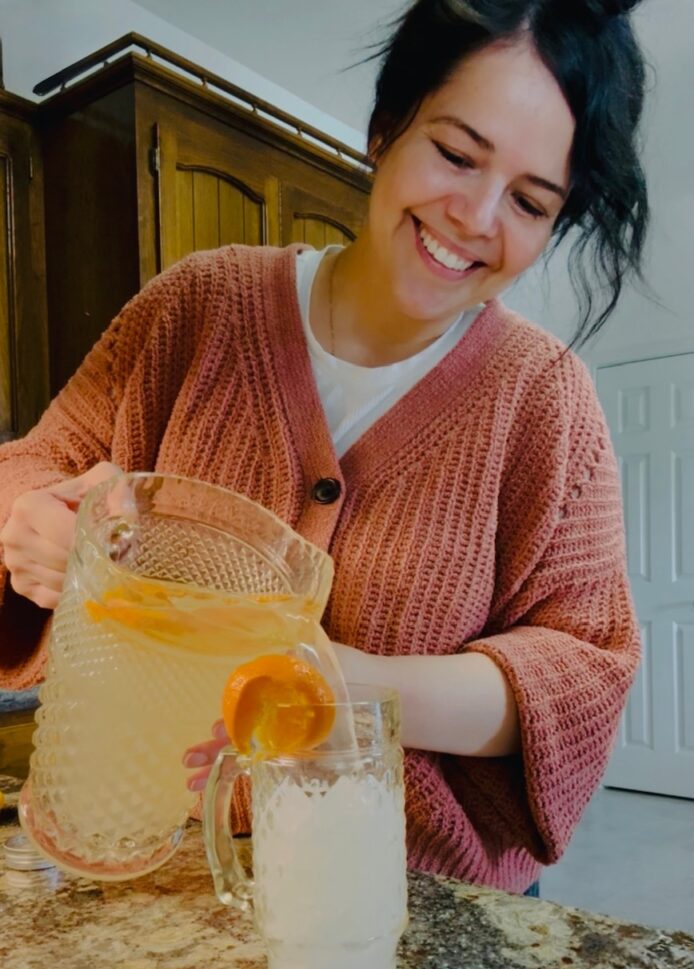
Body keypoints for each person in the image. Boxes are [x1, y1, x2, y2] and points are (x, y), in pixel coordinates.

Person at [0, 0, 648, 895]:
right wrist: (34, 518)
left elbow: (582, 671)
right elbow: (30, 464)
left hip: (413, 895)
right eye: (456, 154)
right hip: (168, 865)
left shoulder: (547, 403)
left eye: (531, 202)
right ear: (387, 125)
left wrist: (340, 682)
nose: (474, 216)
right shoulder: (200, 305)